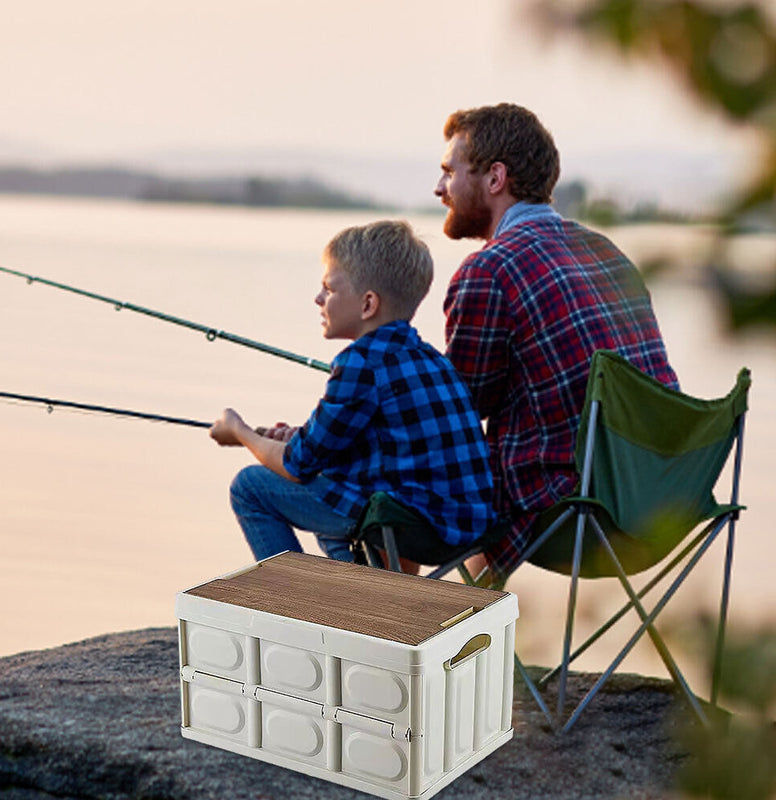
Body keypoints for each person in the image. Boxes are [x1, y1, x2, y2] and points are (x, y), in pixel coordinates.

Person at [435, 102, 679, 580]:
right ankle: (459, 636)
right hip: (658, 503)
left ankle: (409, 641)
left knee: (395, 478)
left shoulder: (490, 270)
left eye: (449, 172)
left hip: (570, 513)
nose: (439, 187)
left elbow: (458, 415)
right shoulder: (607, 251)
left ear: (494, 178)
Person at [210, 220, 495, 564]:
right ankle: (352, 598)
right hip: (464, 528)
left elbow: (296, 464)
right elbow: (371, 444)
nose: (318, 298)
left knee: (250, 487)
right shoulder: (432, 359)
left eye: (328, 289)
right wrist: (296, 436)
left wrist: (239, 432)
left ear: (367, 304)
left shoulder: (359, 362)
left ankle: (295, 608)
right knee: (332, 482)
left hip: (406, 525)